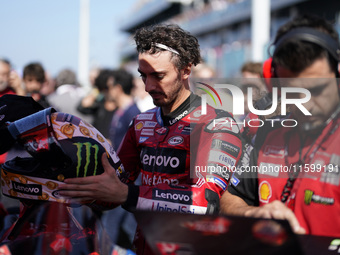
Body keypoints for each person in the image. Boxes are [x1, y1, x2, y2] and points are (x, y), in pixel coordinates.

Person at [60, 24, 244, 254]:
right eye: (143, 76)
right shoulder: (141, 123)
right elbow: (114, 185)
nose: (148, 86)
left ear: (186, 70)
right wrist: (72, 184)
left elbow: (205, 203)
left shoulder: (216, 124)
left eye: (158, 76)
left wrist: (128, 195)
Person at [220, 14, 340, 237]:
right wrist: (251, 214)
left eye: (317, 90)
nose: (307, 105)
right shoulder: (269, 131)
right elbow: (229, 197)